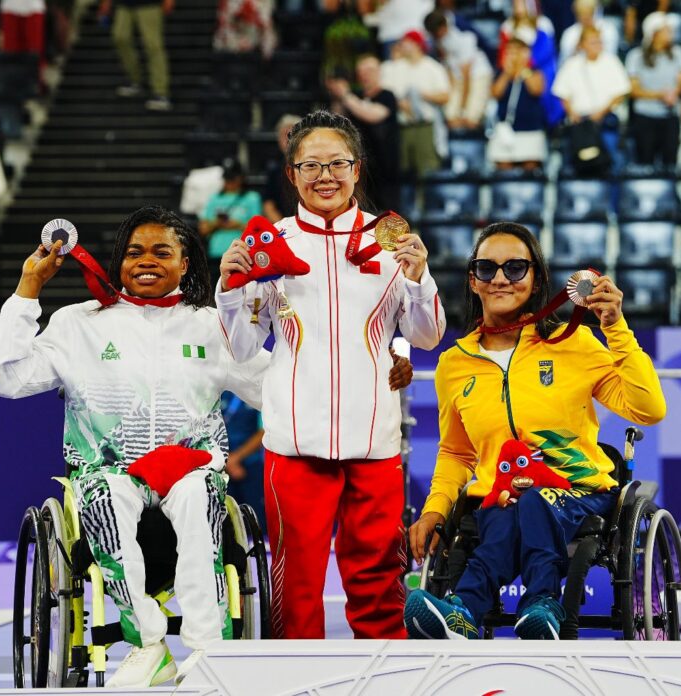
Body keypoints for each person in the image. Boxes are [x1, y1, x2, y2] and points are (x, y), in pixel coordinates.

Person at [0, 206, 268, 687]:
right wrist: (28, 291)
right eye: (135, 251)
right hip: (108, 471)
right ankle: (148, 644)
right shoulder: (80, 323)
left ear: (185, 263)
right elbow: (7, 378)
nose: (147, 261)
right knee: (103, 496)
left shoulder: (212, 325)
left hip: (191, 467)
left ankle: (209, 650)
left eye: (163, 252)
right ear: (118, 261)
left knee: (201, 498)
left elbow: (275, 389)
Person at [216, 110, 446, 639]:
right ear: (292, 173)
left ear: (357, 168)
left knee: (380, 581)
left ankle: (386, 676)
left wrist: (417, 277)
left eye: (337, 163)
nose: (326, 175)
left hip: (374, 439)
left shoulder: (392, 242)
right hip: (296, 441)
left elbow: (428, 334)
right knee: (296, 586)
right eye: (311, 164)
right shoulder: (269, 243)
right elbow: (243, 345)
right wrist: (230, 289)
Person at [405, 221, 666, 640]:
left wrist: (615, 326)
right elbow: (457, 453)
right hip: (501, 496)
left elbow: (648, 408)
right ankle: (462, 614)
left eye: (515, 268)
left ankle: (543, 602)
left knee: (534, 502)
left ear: (537, 278)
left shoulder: (573, 343)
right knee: (505, 513)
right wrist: (435, 508)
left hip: (579, 492)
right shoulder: (454, 364)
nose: (501, 279)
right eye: (487, 269)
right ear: (473, 281)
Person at [326, 54, 401, 211]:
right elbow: (337, 120)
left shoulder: (387, 96)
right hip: (360, 165)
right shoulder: (355, 96)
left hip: (385, 167)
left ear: (379, 72)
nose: (365, 74)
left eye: (370, 70)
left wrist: (346, 95)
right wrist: (337, 96)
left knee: (387, 212)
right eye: (361, 71)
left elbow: (372, 115)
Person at [553, 26, 631, 175]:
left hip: (605, 122)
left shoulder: (611, 61)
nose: (598, 45)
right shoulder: (572, 64)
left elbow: (621, 92)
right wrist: (571, 112)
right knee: (574, 165)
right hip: (579, 123)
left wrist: (601, 112)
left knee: (611, 163)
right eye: (593, 42)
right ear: (582, 44)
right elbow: (562, 93)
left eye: (599, 42)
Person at [380, 31, 451, 177]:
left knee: (428, 171)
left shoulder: (432, 67)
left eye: (406, 42)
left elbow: (445, 96)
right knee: (403, 173)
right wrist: (399, 103)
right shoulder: (394, 67)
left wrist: (422, 95)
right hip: (402, 126)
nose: (402, 46)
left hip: (425, 126)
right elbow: (384, 92)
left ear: (417, 45)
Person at [625, 12, 681, 168]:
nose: (671, 34)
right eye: (666, 30)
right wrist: (660, 95)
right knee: (645, 162)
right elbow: (634, 90)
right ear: (653, 33)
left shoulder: (679, 54)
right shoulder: (636, 56)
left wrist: (674, 93)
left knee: (670, 163)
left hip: (670, 116)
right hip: (645, 117)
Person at [424, 9, 493, 131]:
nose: (436, 37)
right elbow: (446, 62)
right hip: (457, 76)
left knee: (471, 119)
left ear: (443, 27)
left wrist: (462, 108)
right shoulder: (436, 33)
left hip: (478, 74)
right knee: (450, 117)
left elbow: (467, 75)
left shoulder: (463, 34)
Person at [488, 37, 548, 171]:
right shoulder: (500, 72)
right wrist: (506, 74)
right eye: (509, 52)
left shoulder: (535, 72)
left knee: (530, 168)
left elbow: (536, 90)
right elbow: (495, 93)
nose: (513, 56)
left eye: (516, 52)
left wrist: (523, 70)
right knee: (503, 168)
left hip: (530, 130)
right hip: (506, 130)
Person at [106, 0, 175, 111]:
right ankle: (135, 80)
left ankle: (161, 93)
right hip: (124, 4)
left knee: (153, 45)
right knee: (120, 38)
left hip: (149, 4)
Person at [199, 158, 262, 261]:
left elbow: (258, 229)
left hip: (243, 253)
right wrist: (217, 223)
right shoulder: (214, 198)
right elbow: (203, 229)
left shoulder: (252, 198)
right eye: (227, 178)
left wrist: (238, 225)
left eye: (233, 178)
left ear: (241, 178)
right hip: (217, 252)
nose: (229, 182)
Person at [222, 393, 266, 530]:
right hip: (220, 468)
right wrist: (225, 460)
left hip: (251, 468)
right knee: (225, 525)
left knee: (257, 524)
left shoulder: (258, 392)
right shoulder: (215, 388)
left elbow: (264, 431)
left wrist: (236, 458)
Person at [262, 114, 303, 223]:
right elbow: (268, 204)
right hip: (283, 228)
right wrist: (283, 229)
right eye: (284, 135)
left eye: (292, 135)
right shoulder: (274, 169)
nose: (287, 140)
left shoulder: (313, 166)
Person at [558, 0, 618, 65]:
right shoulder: (569, 34)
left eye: (589, 13)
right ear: (576, 14)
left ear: (594, 11)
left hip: (603, 68)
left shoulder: (608, 30)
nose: (585, 17)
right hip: (576, 70)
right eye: (581, 14)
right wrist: (575, 50)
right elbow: (563, 62)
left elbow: (611, 56)